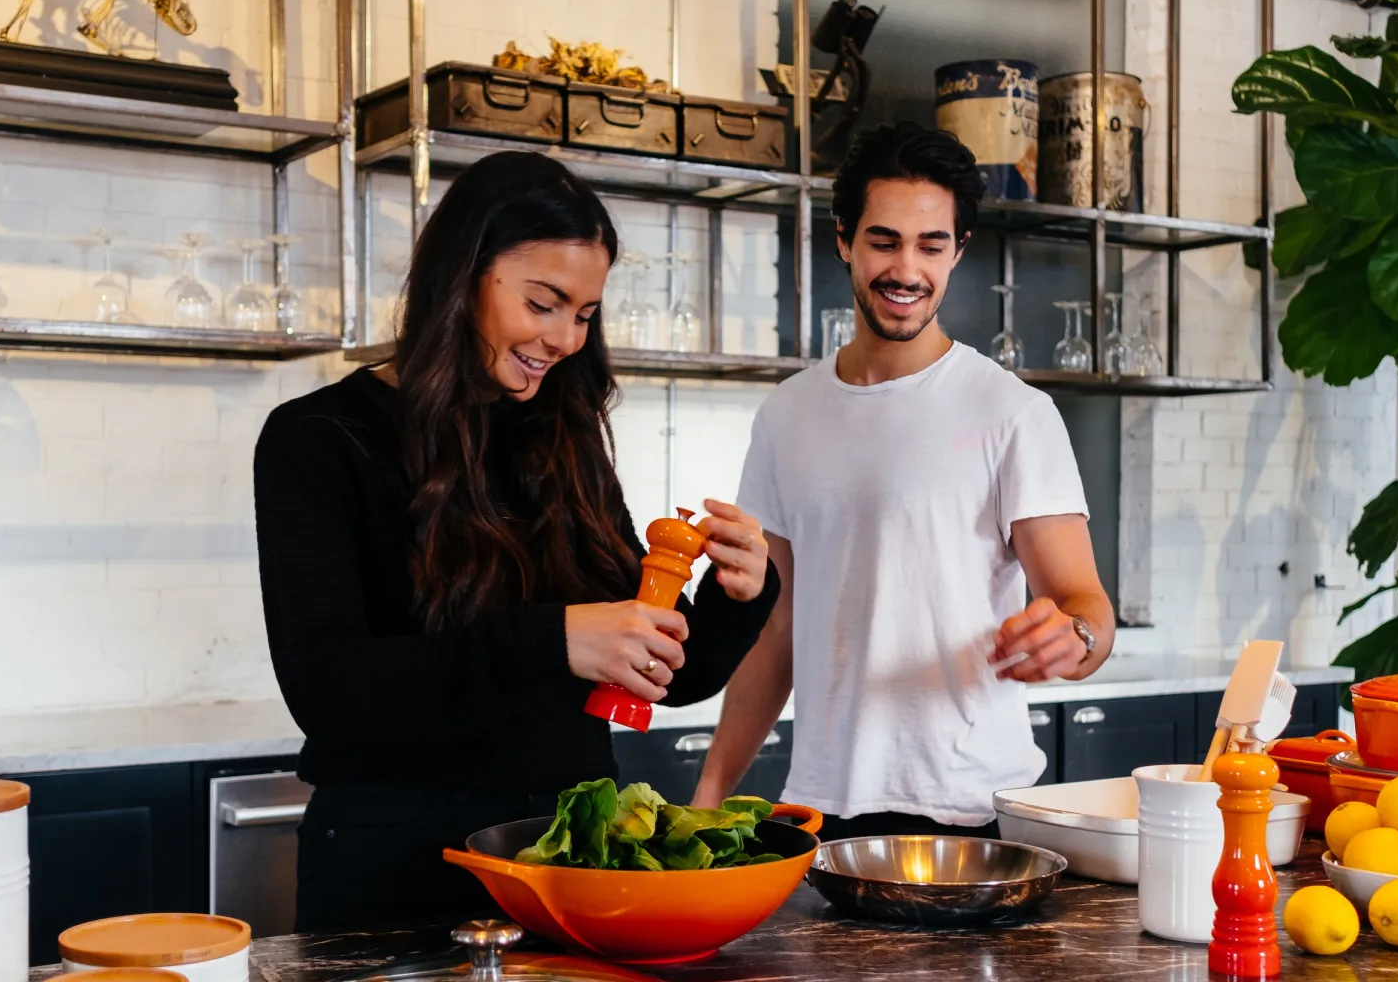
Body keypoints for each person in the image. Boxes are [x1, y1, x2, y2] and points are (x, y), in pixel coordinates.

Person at [254, 151, 779, 931]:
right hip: (395, 873)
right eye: (544, 303)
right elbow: (328, 693)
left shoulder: (564, 439)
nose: (566, 338)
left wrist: (737, 594)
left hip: (570, 864)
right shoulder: (318, 439)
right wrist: (555, 641)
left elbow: (662, 675)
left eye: (585, 313)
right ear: (463, 274)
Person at [692, 121, 1115, 840]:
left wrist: (1072, 638)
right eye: (884, 241)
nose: (907, 269)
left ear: (959, 251)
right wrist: (707, 796)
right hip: (822, 811)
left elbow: (1086, 609)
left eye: (931, 245)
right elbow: (776, 628)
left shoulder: (1013, 413)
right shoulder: (788, 413)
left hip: (973, 811)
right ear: (844, 241)